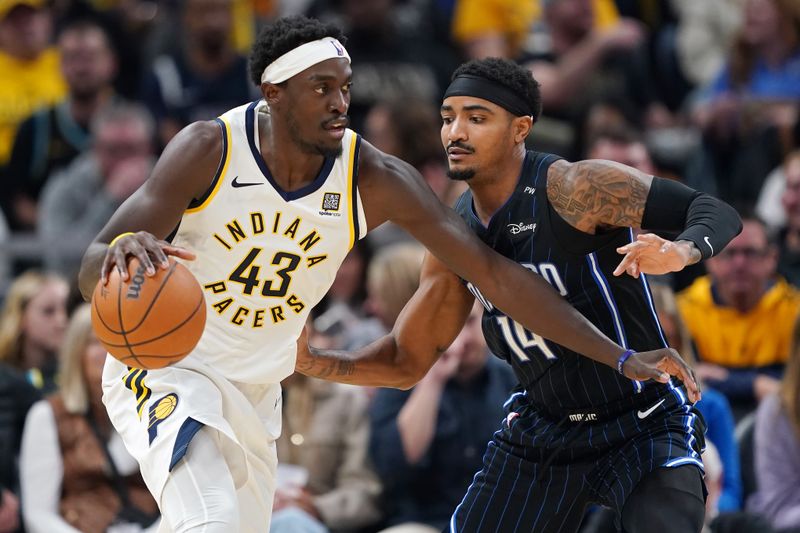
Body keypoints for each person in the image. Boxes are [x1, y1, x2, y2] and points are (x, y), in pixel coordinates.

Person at [77, 16, 698, 532]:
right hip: (164, 367)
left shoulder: (373, 178)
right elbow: (95, 258)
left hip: (256, 383)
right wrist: (121, 255)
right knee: (206, 521)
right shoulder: (208, 148)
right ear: (274, 92)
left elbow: (497, 276)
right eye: (321, 87)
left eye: (344, 86)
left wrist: (619, 356)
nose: (341, 101)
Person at [296, 56, 743, 533]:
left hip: (639, 417)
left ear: (520, 128)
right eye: (448, 118)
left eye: (477, 118)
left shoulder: (575, 189)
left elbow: (712, 209)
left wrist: (681, 251)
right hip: (543, 429)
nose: (455, 132)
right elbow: (407, 362)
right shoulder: (455, 236)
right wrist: (314, 360)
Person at [369, 301, 517, 532]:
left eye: (469, 323)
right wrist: (433, 379)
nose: (463, 338)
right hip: (425, 523)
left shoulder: (512, 381)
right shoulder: (400, 382)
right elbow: (393, 466)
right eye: (451, 327)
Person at [20, 304, 160, 533]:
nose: (109, 352)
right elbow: (38, 514)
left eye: (116, 343)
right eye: (96, 342)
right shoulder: (48, 415)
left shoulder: (150, 408)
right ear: (77, 351)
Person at [677, 215, 800, 419]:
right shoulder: (684, 311)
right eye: (729, 253)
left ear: (772, 258)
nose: (739, 263)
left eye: (750, 253)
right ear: (711, 258)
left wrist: (723, 379)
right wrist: (756, 384)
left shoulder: (794, 310)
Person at [0, 270, 69, 393]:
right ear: (21, 317)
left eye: (67, 309)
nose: (62, 321)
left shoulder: (74, 375)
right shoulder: (5, 379)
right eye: (48, 311)